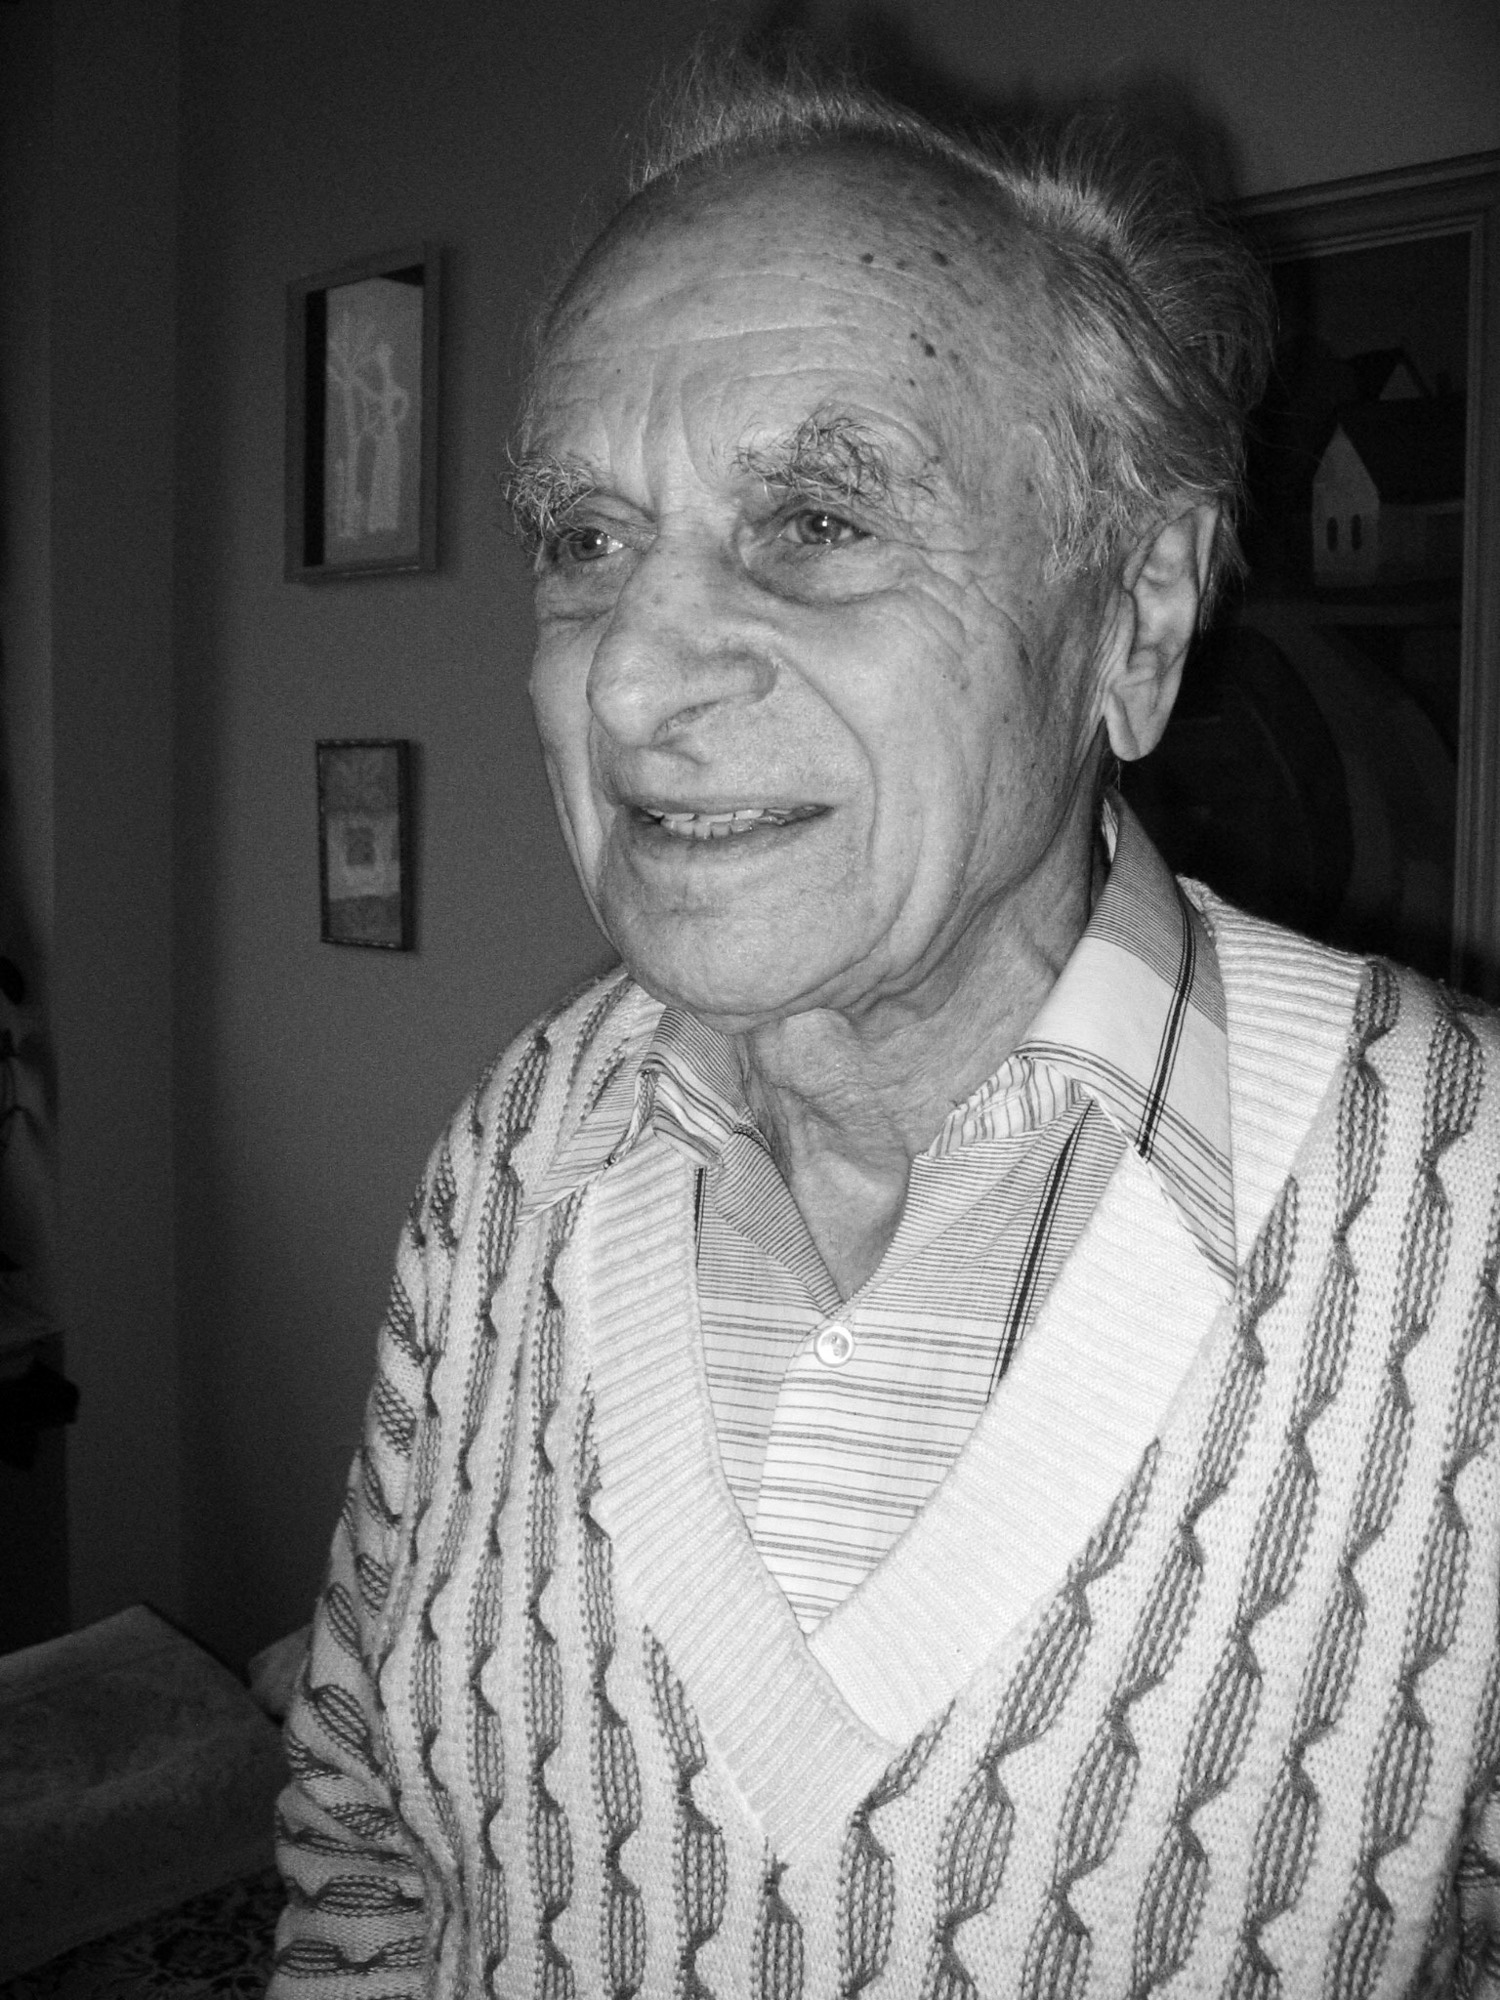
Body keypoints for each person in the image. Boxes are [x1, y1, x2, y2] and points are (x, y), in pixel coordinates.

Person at [270, 64, 1500, 2000]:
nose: (633, 678)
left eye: (819, 519)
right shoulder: (517, 1146)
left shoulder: (1470, 1227)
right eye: (584, 539)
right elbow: (367, 1853)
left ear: (1138, 619)